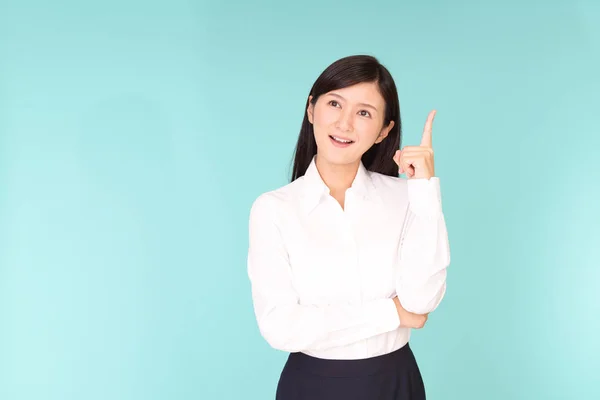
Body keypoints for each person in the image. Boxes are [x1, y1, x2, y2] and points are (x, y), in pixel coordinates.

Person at [246, 54, 450, 400]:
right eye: (334, 103)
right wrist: (390, 312)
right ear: (311, 110)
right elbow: (280, 327)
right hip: (312, 384)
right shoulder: (274, 209)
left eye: (364, 113)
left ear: (384, 130)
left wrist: (425, 190)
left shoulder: (407, 198)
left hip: (394, 381)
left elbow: (419, 302)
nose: (344, 123)